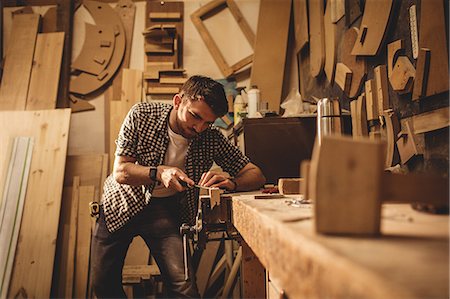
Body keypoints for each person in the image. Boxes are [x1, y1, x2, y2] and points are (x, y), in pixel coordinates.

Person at [90, 75, 266, 298]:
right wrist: (159, 172)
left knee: (184, 288)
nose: (200, 128)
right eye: (195, 116)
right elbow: (121, 172)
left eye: (208, 123)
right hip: (121, 203)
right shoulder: (142, 115)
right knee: (103, 283)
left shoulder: (211, 138)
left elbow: (256, 174)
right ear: (177, 101)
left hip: (164, 210)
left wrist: (231, 182)